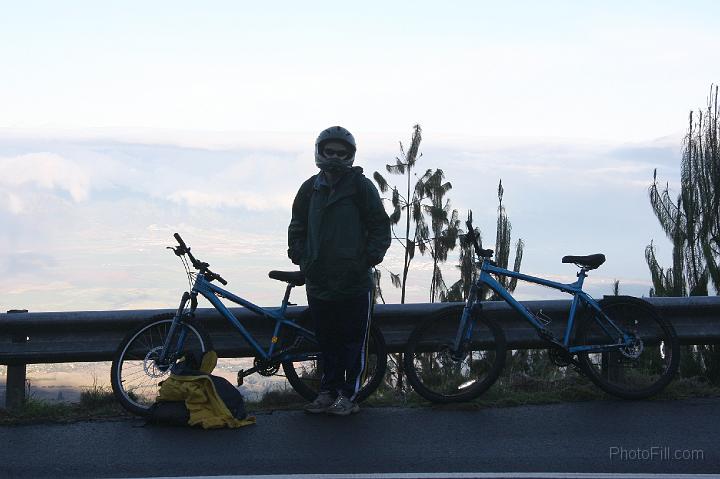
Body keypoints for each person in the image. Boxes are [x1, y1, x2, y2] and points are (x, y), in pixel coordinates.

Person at [287, 126, 391, 416]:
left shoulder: (361, 187)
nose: (334, 156)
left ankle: (350, 395)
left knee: (354, 343)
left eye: (341, 152)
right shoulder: (310, 188)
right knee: (327, 341)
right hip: (319, 281)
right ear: (320, 152)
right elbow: (297, 226)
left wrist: (367, 259)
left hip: (355, 281)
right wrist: (302, 258)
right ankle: (327, 391)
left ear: (350, 155)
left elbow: (380, 226)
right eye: (329, 151)